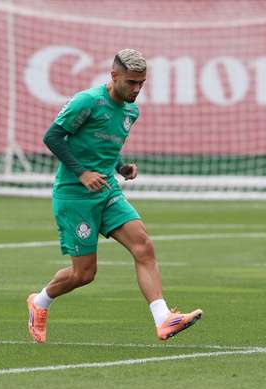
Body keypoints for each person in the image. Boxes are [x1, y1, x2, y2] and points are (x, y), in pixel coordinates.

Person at [26, 49, 202, 343]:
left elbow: (103, 146)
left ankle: (163, 320)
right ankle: (39, 302)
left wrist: (121, 167)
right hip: (75, 195)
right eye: (131, 82)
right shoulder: (88, 101)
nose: (136, 89)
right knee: (84, 274)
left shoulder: (132, 111)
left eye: (141, 83)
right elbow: (52, 137)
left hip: (107, 190)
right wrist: (82, 173)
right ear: (114, 76)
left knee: (143, 246)